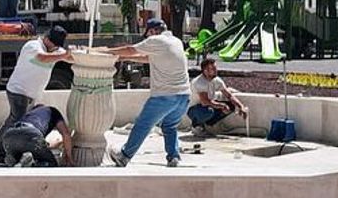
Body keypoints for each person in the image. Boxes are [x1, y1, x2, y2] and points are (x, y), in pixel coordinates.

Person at [102, 17, 190, 167]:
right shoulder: (176, 41)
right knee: (169, 126)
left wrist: (106, 51)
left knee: (143, 124)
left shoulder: (156, 40)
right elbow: (149, 58)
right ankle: (173, 157)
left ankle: (124, 155)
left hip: (164, 96)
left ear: (153, 31)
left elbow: (131, 50)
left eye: (147, 34)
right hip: (184, 96)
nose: (147, 38)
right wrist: (121, 57)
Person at [0, 26, 72, 164]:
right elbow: (42, 58)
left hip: (30, 95)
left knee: (14, 121)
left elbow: (70, 57)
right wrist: (63, 55)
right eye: (54, 44)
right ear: (46, 39)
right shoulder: (32, 46)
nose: (55, 48)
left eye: (57, 46)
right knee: (16, 122)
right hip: (19, 91)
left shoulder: (55, 51)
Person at [0, 103, 74, 167]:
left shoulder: (29, 115)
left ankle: (14, 159)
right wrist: (69, 158)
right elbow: (66, 134)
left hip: (9, 135)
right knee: (51, 164)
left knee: (21, 153)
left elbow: (41, 144)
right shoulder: (52, 111)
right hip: (30, 133)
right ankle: (31, 164)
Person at [187, 58, 247, 135]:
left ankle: (209, 124)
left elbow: (229, 95)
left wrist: (241, 106)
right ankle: (196, 126)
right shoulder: (199, 82)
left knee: (231, 106)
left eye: (215, 68)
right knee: (208, 111)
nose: (216, 70)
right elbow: (205, 102)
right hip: (194, 110)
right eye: (213, 69)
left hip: (207, 106)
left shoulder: (217, 80)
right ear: (205, 71)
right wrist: (221, 106)